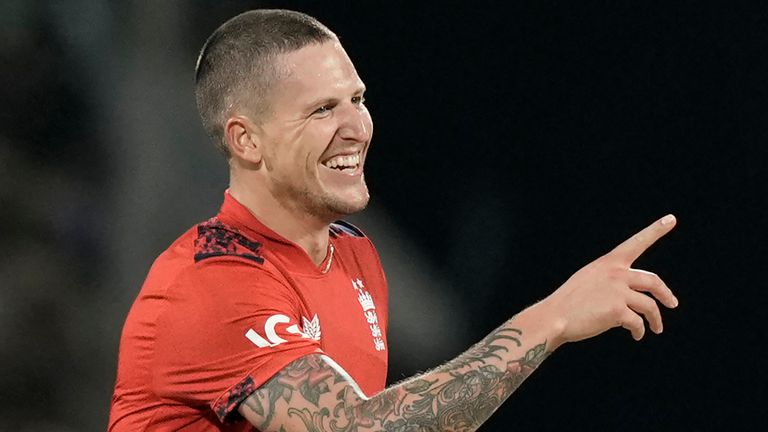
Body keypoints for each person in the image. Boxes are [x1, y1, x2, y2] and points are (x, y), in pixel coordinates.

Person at [108, 9, 679, 432]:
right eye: (321, 110)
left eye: (356, 99)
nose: (356, 126)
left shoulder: (355, 256)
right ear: (246, 139)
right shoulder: (208, 282)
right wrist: (550, 319)